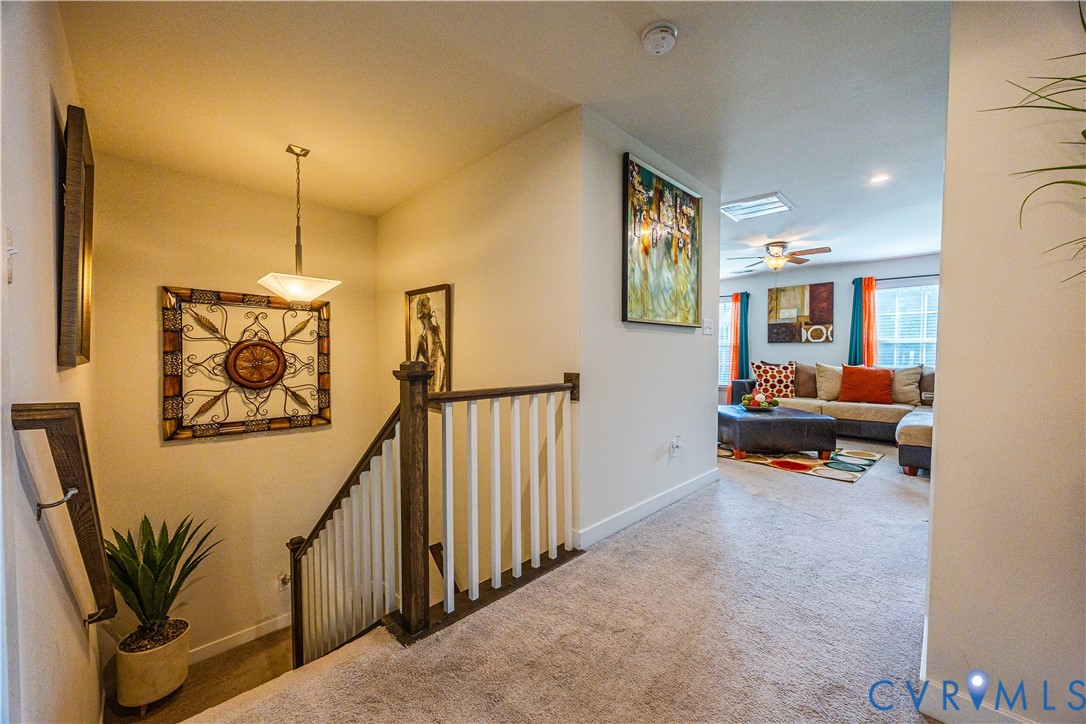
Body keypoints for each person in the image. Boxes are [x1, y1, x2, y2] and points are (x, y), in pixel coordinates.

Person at [413, 295, 449, 392]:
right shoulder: (421, 339)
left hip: (440, 373)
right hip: (432, 377)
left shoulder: (437, 330)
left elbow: (444, 356)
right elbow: (413, 364)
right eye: (426, 306)